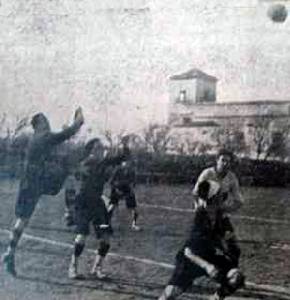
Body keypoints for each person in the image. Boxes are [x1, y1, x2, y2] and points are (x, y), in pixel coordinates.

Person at [2, 108, 84, 276]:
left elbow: (57, 144)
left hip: (28, 183)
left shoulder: (35, 139)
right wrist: (77, 123)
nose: (48, 124)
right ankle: (69, 213)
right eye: (45, 121)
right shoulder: (43, 137)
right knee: (67, 173)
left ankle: (10, 252)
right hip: (37, 181)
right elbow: (64, 135)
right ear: (38, 124)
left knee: (22, 219)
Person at [158, 180, 245, 300]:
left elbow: (230, 242)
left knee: (237, 277)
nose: (223, 196)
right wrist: (207, 266)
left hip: (209, 256)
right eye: (219, 194)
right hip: (191, 260)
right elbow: (188, 252)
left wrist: (231, 248)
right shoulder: (200, 219)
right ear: (213, 199)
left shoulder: (221, 217)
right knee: (169, 295)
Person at [68, 137, 130, 280]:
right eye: (98, 148)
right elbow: (117, 159)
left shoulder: (100, 162)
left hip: (97, 203)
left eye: (101, 148)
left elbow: (122, 158)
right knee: (81, 236)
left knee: (106, 237)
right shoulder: (89, 162)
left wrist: (125, 145)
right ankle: (73, 267)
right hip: (83, 204)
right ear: (91, 151)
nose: (101, 150)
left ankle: (96, 268)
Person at [192, 149, 244, 267]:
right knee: (197, 247)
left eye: (228, 161)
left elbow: (239, 201)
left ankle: (231, 275)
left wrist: (224, 208)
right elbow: (195, 193)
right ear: (217, 161)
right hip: (205, 217)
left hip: (221, 218)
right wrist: (199, 207)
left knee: (234, 248)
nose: (225, 163)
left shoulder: (231, 177)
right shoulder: (207, 173)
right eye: (223, 160)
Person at [107, 159, 141, 231]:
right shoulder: (117, 170)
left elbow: (133, 182)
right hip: (117, 188)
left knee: (134, 208)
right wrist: (116, 190)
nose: (127, 164)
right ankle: (107, 223)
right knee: (112, 206)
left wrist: (131, 190)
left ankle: (134, 224)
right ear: (122, 163)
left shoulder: (132, 171)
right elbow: (111, 182)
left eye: (129, 163)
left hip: (127, 189)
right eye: (125, 163)